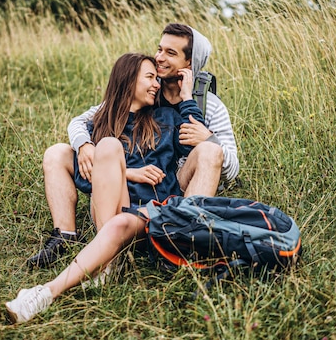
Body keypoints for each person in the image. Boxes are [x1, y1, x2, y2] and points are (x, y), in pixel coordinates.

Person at [6, 52, 204, 323]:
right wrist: (127, 173)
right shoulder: (101, 122)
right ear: (128, 80)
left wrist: (188, 97)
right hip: (109, 209)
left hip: (148, 211)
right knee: (103, 146)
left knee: (109, 154)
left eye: (157, 79)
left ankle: (49, 291)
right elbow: (92, 179)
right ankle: (94, 252)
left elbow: (200, 141)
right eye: (149, 78)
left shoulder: (167, 118)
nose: (157, 84)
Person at [28, 23, 239, 268]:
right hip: (122, 188)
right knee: (58, 153)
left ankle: (182, 239)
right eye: (160, 49)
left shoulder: (206, 106)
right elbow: (84, 121)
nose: (159, 58)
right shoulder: (143, 95)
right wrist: (85, 145)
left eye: (170, 53)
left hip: (174, 183)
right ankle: (65, 236)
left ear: (189, 64)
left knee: (211, 150)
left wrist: (207, 137)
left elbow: (230, 166)